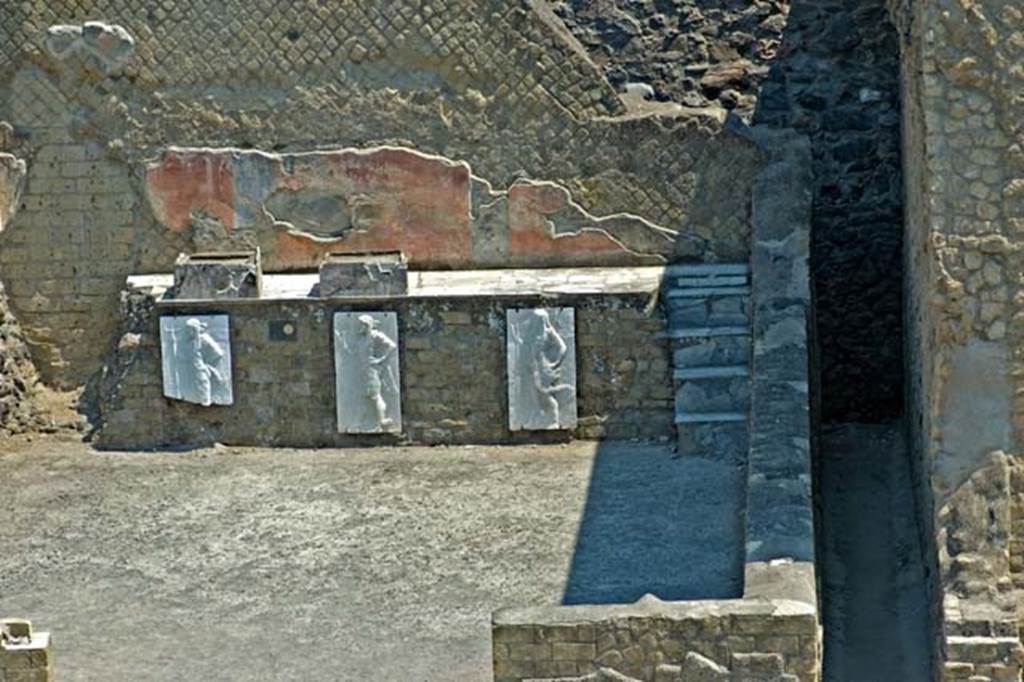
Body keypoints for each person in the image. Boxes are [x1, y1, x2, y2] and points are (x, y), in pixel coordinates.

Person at [355, 314, 397, 429]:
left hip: (371, 370)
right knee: (365, 396)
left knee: (375, 395)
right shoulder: (361, 338)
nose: (360, 327)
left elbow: (392, 346)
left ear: (367, 325)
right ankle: (361, 422)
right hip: (363, 370)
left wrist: (381, 359)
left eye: (362, 324)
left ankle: (382, 420)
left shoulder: (376, 335)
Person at [184, 317, 227, 406]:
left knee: (204, 398)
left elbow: (218, 353)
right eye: (187, 329)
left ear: (195, 329)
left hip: (201, 374)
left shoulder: (204, 338)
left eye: (190, 329)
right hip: (190, 375)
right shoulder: (189, 342)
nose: (188, 332)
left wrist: (205, 364)